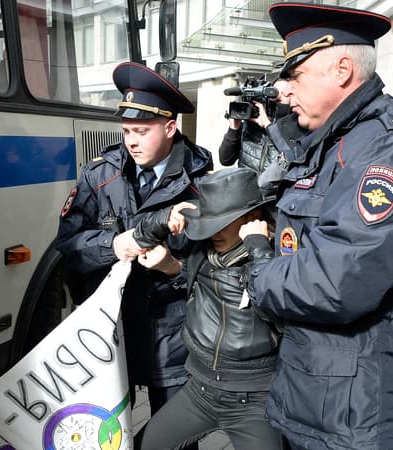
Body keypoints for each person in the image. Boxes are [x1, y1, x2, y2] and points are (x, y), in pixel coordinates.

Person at [238, 3, 393, 449]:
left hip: (357, 410)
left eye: (294, 75)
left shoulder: (385, 150)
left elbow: (336, 283)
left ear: (342, 70)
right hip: (324, 393)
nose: (281, 90)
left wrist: (258, 263)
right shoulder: (338, 141)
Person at [55, 62, 213, 426]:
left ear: (171, 128)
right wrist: (114, 245)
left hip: (175, 340)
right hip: (111, 338)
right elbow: (67, 245)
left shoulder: (201, 185)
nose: (132, 141)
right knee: (105, 433)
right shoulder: (99, 175)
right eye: (127, 130)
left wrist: (173, 268)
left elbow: (219, 273)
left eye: (142, 130)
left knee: (174, 437)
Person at [131, 168, 282, 450]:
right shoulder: (203, 250)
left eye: (223, 222)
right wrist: (168, 259)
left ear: (253, 219)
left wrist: (259, 248)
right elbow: (186, 271)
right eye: (209, 222)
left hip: (254, 398)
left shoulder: (277, 259)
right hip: (200, 389)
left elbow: (280, 307)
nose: (213, 231)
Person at [218, 78, 293, 176]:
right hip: (247, 188)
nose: (277, 97)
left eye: (284, 94)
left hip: (275, 189)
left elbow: (292, 158)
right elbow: (225, 160)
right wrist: (234, 129)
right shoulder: (250, 125)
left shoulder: (297, 127)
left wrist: (268, 126)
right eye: (273, 93)